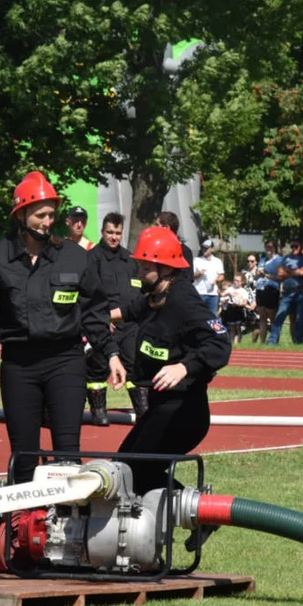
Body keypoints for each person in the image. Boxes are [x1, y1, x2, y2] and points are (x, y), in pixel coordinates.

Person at [0, 171, 125, 484]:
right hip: (19, 365)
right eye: (40, 214)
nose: (47, 221)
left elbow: (94, 312)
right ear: (21, 214)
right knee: (24, 458)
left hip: (65, 362)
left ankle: (66, 529)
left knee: (67, 457)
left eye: (52, 214)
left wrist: (111, 354)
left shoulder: (74, 257)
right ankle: (23, 525)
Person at [117, 226, 231, 532]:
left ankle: (192, 520)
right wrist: (86, 318)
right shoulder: (157, 295)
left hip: (184, 412)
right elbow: (129, 310)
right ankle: (198, 518)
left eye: (144, 265)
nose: (139, 270)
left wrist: (184, 367)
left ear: (165, 267)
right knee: (125, 467)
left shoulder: (183, 300)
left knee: (132, 470)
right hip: (161, 408)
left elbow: (220, 342)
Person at [86, 212, 146, 424]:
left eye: (118, 233)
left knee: (134, 366)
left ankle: (142, 410)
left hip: (130, 325)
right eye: (110, 232)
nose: (113, 237)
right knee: (98, 368)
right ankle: (99, 412)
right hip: (104, 325)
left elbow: (140, 292)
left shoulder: (130, 261)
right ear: (102, 232)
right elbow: (88, 296)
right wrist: (100, 321)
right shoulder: (92, 259)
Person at [267, 238, 303, 345]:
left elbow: (301, 272)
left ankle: (298, 342)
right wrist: (293, 272)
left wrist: (287, 271)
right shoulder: (286, 258)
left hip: (301, 292)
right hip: (287, 292)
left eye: (296, 246)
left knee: (299, 318)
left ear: (301, 247)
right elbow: (279, 273)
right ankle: (272, 341)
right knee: (279, 317)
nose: (294, 248)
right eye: (292, 246)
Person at [155, 211, 194, 284]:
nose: (154, 228)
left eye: (157, 225)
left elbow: (188, 277)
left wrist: (167, 283)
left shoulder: (184, 251)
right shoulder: (156, 248)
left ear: (166, 228)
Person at [255, 241, 281, 343]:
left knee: (272, 316)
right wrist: (258, 273)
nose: (268, 249)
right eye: (267, 247)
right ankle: (262, 341)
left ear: (274, 248)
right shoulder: (262, 259)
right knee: (262, 316)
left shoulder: (278, 260)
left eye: (270, 247)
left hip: (272, 288)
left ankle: (275, 340)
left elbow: (280, 276)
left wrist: (267, 275)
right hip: (260, 288)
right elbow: (256, 276)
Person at [192, 239, 224, 315]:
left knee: (212, 317)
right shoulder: (197, 260)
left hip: (213, 295)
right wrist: (199, 273)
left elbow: (221, 275)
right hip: (199, 293)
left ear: (212, 249)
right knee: (198, 315)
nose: (204, 250)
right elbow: (191, 276)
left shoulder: (217, 261)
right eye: (203, 248)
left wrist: (217, 280)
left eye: (206, 248)